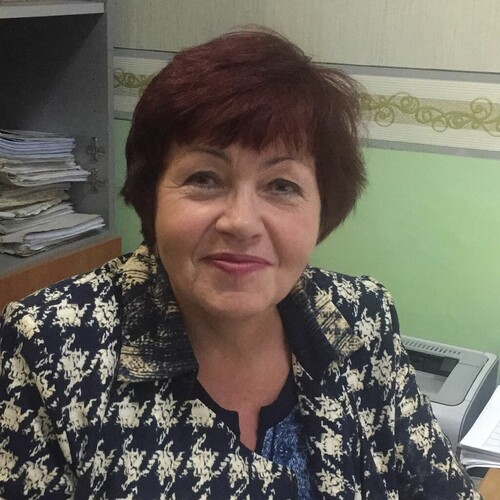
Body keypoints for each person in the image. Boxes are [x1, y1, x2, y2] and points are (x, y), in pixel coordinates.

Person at [0, 28, 480, 499]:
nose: (241, 223)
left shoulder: (361, 316)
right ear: (152, 195)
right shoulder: (49, 347)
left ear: (323, 208)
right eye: (204, 178)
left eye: (282, 185)